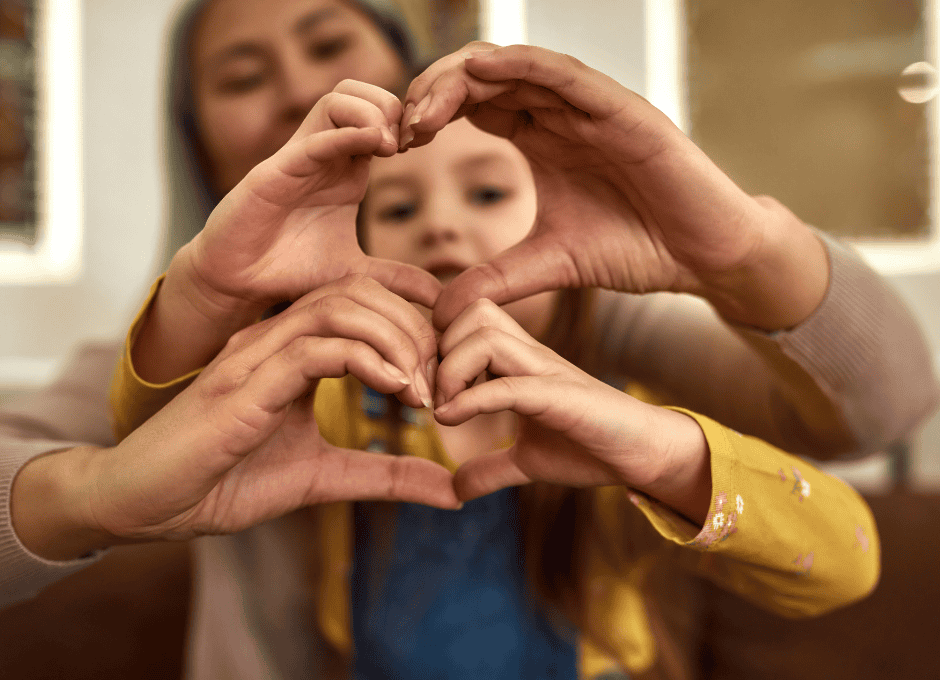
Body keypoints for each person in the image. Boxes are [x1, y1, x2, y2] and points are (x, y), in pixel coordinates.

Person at [0, 0, 935, 673]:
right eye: (241, 76)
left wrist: (737, 251)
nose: (296, 86)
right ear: (200, 145)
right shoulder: (242, 360)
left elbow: (879, 429)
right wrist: (109, 475)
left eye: (328, 38)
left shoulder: (604, 337)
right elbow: (145, 416)